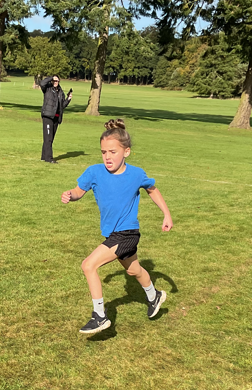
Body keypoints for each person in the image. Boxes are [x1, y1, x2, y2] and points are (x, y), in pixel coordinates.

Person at [61, 119, 173, 334]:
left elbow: (153, 189)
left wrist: (166, 214)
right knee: (134, 271)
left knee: (88, 265)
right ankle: (154, 295)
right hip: (112, 233)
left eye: (113, 152)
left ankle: (100, 316)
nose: (107, 157)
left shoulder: (136, 174)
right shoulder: (94, 172)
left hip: (128, 232)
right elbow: (78, 191)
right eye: (104, 152)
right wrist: (70, 195)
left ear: (126, 152)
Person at [39, 75, 72, 163]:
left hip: (56, 118)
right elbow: (42, 83)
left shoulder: (60, 92)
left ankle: (44, 156)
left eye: (57, 81)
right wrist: (51, 78)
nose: (55, 82)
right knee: (48, 138)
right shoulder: (47, 89)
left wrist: (68, 99)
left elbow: (62, 106)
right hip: (48, 116)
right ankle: (49, 158)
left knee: (50, 138)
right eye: (54, 81)